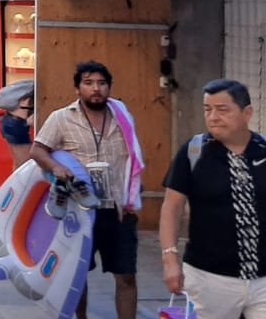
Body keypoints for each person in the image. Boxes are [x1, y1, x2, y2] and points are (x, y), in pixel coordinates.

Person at [31, 60, 144, 319]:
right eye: (89, 83)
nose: (96, 89)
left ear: (109, 88)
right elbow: (37, 150)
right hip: (79, 210)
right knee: (77, 277)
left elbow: (133, 160)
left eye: (102, 84)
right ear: (77, 88)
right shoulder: (61, 118)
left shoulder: (122, 117)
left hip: (118, 211)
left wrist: (131, 199)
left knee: (126, 276)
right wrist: (56, 167)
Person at [160, 78, 266, 319]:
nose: (213, 117)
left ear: (246, 113)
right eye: (208, 109)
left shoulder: (263, 150)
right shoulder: (194, 151)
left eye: (222, 109)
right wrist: (170, 259)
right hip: (209, 278)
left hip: (263, 279)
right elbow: (172, 207)